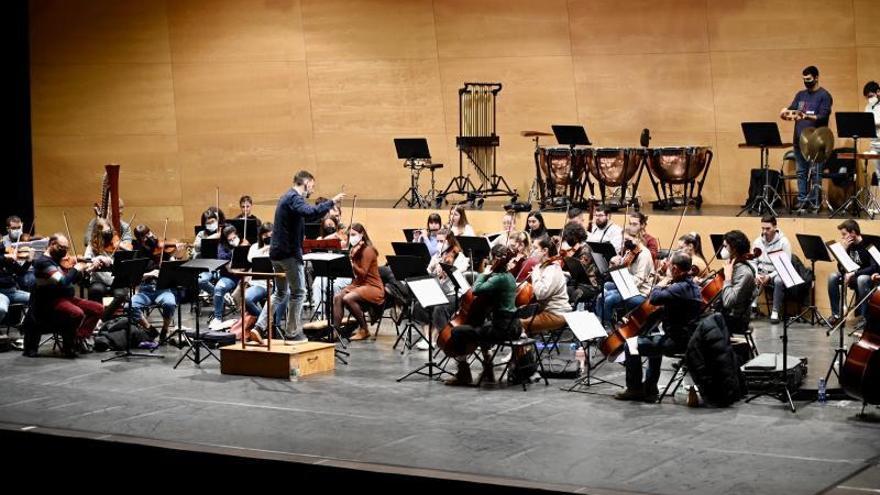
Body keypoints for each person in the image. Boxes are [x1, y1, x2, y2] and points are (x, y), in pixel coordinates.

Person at [254, 170, 344, 341]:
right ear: (307, 182)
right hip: (289, 254)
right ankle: (292, 333)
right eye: (313, 185)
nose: (313, 189)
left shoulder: (286, 197)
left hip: (277, 254)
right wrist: (332, 202)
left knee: (280, 293)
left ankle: (259, 327)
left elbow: (307, 214)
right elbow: (310, 213)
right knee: (298, 292)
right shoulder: (294, 197)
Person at [615, 252, 703, 402]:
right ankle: (650, 386)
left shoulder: (679, 288)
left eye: (669, 265)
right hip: (688, 338)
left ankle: (634, 389)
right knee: (653, 337)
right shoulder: (692, 286)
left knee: (631, 344)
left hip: (676, 342)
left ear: (674, 268)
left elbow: (655, 298)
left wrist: (659, 285)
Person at [444, 245, 521, 386]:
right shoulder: (509, 276)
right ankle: (488, 369)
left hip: (502, 329)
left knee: (457, 331)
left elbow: (476, 289)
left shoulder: (499, 278)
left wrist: (484, 274)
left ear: (495, 259)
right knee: (482, 327)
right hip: (514, 326)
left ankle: (464, 374)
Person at [26, 234, 105, 356]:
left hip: (67, 298)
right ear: (52, 245)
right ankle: (70, 344)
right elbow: (63, 282)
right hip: (51, 300)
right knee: (77, 313)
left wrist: (88, 270)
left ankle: (79, 338)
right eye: (62, 248)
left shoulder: (58, 260)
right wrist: (76, 269)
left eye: (66, 248)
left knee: (98, 308)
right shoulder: (44, 262)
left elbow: (73, 280)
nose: (65, 252)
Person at [779, 65, 833, 210]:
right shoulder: (800, 95)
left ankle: (815, 203)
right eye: (804, 79)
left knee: (816, 173)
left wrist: (806, 115)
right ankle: (802, 201)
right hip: (799, 139)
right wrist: (785, 111)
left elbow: (823, 116)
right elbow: (793, 109)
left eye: (808, 79)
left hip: (816, 142)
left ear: (816, 78)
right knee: (801, 172)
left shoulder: (824, 95)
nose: (806, 82)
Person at [334, 223, 384, 341]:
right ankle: (335, 331)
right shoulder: (355, 249)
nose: (351, 238)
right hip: (359, 284)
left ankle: (364, 329)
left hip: (373, 286)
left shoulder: (368, 250)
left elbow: (363, 273)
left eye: (354, 235)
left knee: (348, 298)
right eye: (349, 235)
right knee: (338, 297)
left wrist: (351, 261)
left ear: (362, 235)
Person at [130, 225, 179, 342]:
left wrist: (171, 264)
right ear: (139, 239)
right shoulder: (138, 254)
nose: (148, 237)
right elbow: (134, 277)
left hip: (162, 289)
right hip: (144, 290)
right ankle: (149, 328)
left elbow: (174, 269)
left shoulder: (162, 250)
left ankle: (165, 329)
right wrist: (150, 274)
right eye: (144, 236)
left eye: (149, 233)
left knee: (170, 303)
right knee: (130, 306)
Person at [827, 219, 879, 327]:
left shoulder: (868, 243)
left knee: (861, 279)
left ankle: (863, 318)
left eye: (844, 234)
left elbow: (874, 267)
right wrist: (844, 250)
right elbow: (841, 269)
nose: (843, 237)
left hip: (867, 277)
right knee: (832, 277)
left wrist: (854, 274)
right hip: (851, 276)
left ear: (853, 233)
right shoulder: (849, 245)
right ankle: (836, 315)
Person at [596, 232, 653, 326]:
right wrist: (615, 264)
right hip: (626, 285)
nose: (624, 242)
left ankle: (607, 326)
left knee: (609, 298)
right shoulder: (630, 251)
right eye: (624, 239)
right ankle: (599, 322)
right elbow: (621, 270)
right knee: (602, 292)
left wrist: (621, 281)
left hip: (639, 290)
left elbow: (639, 279)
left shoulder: (644, 255)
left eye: (627, 239)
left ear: (637, 239)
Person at [521, 237, 570, 336]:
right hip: (544, 310)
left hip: (556, 314)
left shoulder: (552, 269)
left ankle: (524, 351)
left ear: (545, 251)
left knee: (517, 325)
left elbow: (541, 294)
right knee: (514, 317)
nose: (532, 251)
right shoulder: (542, 266)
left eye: (535, 248)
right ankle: (525, 349)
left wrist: (535, 274)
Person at [83, 218, 129, 320]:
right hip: (99, 280)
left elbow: (127, 259)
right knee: (95, 290)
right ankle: (94, 319)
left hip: (115, 279)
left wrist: (122, 247)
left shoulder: (116, 243)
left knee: (121, 294)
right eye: (105, 233)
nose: (108, 235)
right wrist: (98, 258)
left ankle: (102, 319)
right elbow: (86, 260)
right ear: (98, 233)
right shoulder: (92, 245)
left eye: (109, 231)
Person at [244, 223, 284, 340]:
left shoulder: (279, 247)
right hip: (259, 283)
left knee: (283, 294)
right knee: (247, 298)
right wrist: (263, 249)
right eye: (265, 235)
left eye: (270, 235)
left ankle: (267, 325)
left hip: (275, 284)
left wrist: (273, 248)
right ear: (260, 236)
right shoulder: (254, 247)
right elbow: (251, 259)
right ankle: (265, 323)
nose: (267, 238)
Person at [750, 215, 793, 324]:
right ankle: (752, 306)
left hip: (776, 272)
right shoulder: (757, 241)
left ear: (775, 227)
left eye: (767, 228)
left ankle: (775, 312)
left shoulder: (784, 242)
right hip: (762, 271)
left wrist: (770, 276)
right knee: (749, 274)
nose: (764, 231)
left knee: (779, 280)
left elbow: (785, 265)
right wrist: (756, 274)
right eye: (762, 228)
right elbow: (753, 261)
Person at [716, 230, 756, 335]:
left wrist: (728, 277)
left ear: (734, 249)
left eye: (725, 246)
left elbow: (728, 302)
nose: (722, 249)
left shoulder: (744, 273)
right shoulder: (733, 265)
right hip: (725, 315)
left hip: (734, 320)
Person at [205, 226, 243, 330]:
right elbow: (230, 270)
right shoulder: (222, 248)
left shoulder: (244, 243)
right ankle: (218, 318)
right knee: (219, 288)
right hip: (230, 276)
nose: (233, 241)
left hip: (246, 276)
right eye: (230, 240)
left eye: (234, 238)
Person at [863, 81, 880, 213]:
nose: (870, 98)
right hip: (874, 143)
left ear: (878, 93)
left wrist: (872, 123)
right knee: (878, 174)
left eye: (871, 95)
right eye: (867, 97)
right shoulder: (868, 106)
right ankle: (878, 205)